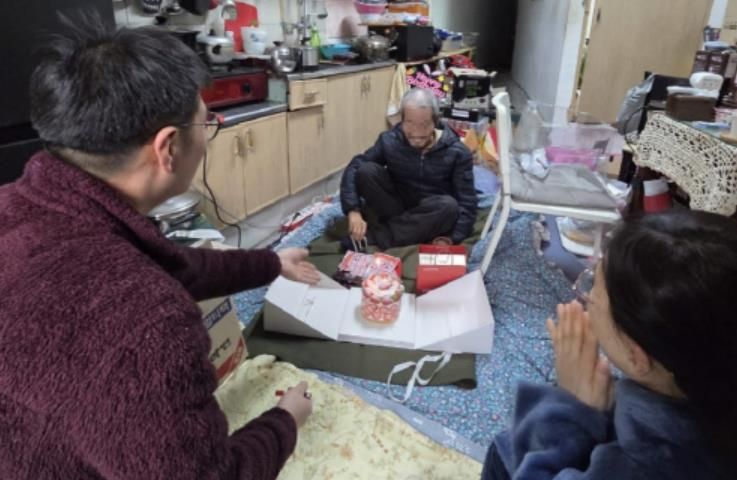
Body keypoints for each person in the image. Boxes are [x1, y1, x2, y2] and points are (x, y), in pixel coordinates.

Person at [0, 16, 322, 480]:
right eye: (206, 122)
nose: (207, 133)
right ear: (168, 148)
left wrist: (272, 262)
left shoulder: (25, 207)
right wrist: (286, 420)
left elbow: (171, 265)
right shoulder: (147, 320)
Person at [482, 209, 737, 480]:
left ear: (637, 357)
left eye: (593, 289)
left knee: (504, 452)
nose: (585, 298)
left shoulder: (637, 465)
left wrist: (568, 408)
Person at [339, 88, 477, 250]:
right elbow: (355, 167)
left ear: (435, 121)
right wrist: (353, 210)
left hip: (431, 212)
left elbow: (467, 203)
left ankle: (374, 237)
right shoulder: (389, 140)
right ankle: (407, 231)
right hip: (396, 206)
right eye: (409, 123)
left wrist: (453, 238)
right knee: (366, 170)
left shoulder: (458, 152)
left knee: (449, 206)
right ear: (402, 120)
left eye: (424, 124)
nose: (416, 132)